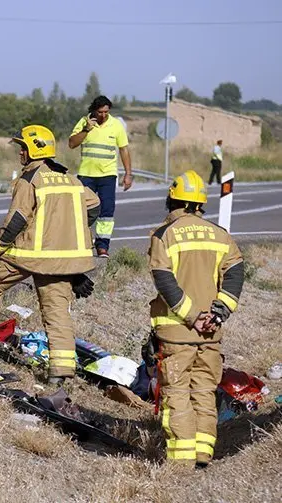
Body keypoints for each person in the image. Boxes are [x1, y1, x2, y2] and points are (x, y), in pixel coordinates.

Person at [0, 125, 100, 384]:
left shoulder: (30, 180)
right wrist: (71, 232)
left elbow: (16, 219)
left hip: (27, 255)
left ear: (32, 151)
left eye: (22, 148)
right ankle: (60, 372)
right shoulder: (70, 179)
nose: (20, 154)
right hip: (60, 262)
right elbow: (93, 205)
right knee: (57, 312)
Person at [148, 169, 244, 468]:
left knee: (176, 393)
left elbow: (165, 283)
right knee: (204, 391)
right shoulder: (221, 235)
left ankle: (181, 462)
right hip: (211, 333)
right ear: (200, 204)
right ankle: (204, 453)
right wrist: (218, 313)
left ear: (172, 199)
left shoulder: (164, 235)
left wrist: (192, 316)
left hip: (178, 331)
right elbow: (236, 273)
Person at [68, 95, 132, 258]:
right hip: (86, 175)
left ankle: (102, 246)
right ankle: (82, 243)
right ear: (94, 111)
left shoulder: (116, 125)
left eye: (106, 112)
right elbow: (72, 144)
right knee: (83, 211)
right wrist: (86, 129)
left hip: (108, 176)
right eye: (100, 112)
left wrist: (128, 174)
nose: (103, 115)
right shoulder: (84, 122)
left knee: (107, 212)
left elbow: (124, 149)